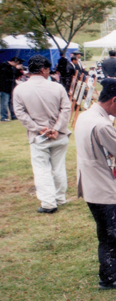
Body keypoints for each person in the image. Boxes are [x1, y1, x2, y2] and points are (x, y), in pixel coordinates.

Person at [75, 78, 116, 290]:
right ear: (113, 100)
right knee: (112, 233)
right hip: (101, 186)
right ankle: (110, 276)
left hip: (92, 181)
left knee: (107, 230)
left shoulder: (86, 116)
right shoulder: (102, 125)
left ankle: (113, 263)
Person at [13, 55, 71, 213]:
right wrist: (56, 128)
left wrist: (39, 129)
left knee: (41, 169)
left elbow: (20, 113)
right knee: (59, 167)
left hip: (39, 137)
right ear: (43, 69)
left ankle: (48, 202)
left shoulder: (20, 89)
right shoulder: (57, 87)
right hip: (58, 135)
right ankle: (60, 197)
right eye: (47, 69)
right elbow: (66, 109)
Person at [0, 57, 23, 122]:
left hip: (11, 87)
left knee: (12, 103)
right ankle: (4, 116)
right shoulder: (4, 66)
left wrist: (18, 70)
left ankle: (13, 115)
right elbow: (8, 74)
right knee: (4, 102)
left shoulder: (13, 68)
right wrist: (16, 69)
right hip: (4, 87)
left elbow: (16, 76)